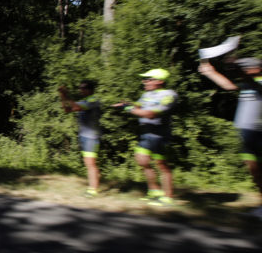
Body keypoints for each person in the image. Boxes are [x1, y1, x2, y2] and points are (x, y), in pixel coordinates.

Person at [199, 57, 262, 217]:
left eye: (246, 69)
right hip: (247, 132)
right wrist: (211, 72)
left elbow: (256, 85)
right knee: (255, 171)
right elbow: (228, 85)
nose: (244, 72)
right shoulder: (247, 84)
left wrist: (237, 69)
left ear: (256, 69)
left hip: (259, 132)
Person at [113, 69, 178, 206]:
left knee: (162, 165)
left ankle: (168, 197)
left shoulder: (169, 95)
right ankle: (154, 191)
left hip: (159, 135)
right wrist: (126, 104)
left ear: (160, 81)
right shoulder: (146, 94)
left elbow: (150, 114)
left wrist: (128, 109)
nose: (145, 81)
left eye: (148, 79)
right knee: (142, 160)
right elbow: (138, 105)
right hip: (145, 134)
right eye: (145, 79)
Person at [58, 80, 102, 197]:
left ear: (90, 90)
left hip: (92, 137)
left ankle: (93, 190)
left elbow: (76, 107)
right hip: (84, 136)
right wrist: (62, 96)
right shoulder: (84, 101)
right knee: (89, 163)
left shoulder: (93, 100)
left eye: (83, 88)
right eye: (80, 88)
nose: (80, 90)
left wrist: (67, 95)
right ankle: (95, 183)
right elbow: (67, 110)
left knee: (90, 164)